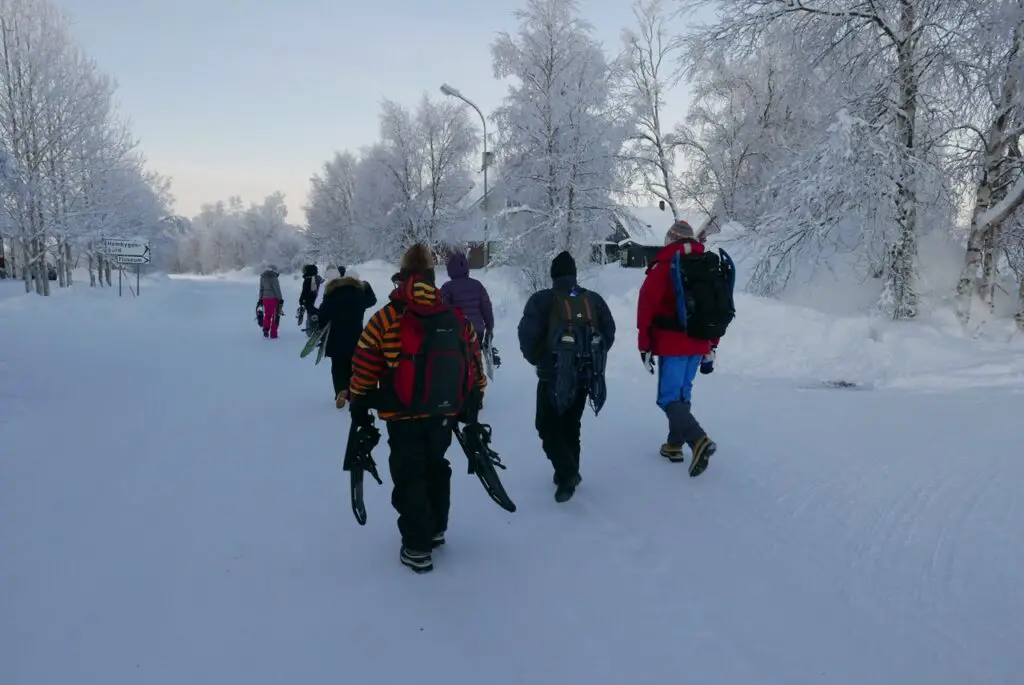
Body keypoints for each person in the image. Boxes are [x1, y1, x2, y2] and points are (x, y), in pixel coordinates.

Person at [349, 244, 487, 573]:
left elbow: (365, 362)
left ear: (402, 278)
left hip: (402, 414)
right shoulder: (454, 316)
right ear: (431, 278)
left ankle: (416, 546)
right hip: (444, 412)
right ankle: (436, 529)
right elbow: (473, 359)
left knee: (410, 475)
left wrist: (360, 401)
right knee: (437, 466)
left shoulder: (385, 317)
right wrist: (475, 398)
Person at [636, 220, 734, 477]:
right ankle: (674, 445)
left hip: (672, 342)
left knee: (668, 398)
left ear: (670, 240)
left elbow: (646, 309)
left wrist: (644, 346)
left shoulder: (665, 266)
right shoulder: (708, 266)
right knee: (682, 393)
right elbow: (720, 306)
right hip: (700, 341)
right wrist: (711, 345)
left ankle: (698, 439)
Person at [517, 251, 615, 502]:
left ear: (553, 275)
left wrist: (540, 360)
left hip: (552, 376)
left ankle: (567, 473)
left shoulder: (542, 300)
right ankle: (568, 472)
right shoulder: (592, 299)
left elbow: (527, 336)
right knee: (572, 424)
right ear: (573, 274)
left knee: (547, 425)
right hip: (585, 374)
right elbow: (608, 332)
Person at [316, 270, 377, 408]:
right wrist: (366, 285)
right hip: (356, 337)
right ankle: (353, 392)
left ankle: (341, 390)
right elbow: (372, 300)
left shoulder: (331, 294)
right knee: (354, 366)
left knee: (338, 366)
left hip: (335, 338)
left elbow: (322, 316)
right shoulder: (359, 295)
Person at [258, 265, 284, 339]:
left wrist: (261, 298)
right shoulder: (274, 277)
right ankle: (273, 334)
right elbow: (277, 289)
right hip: (274, 299)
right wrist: (280, 299)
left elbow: (261, 289)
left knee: (267, 315)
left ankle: (266, 328)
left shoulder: (262, 277)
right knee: (275, 316)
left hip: (265, 299)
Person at [298, 264, 324, 332]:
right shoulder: (319, 278)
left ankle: (312, 330)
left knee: (311, 316)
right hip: (319, 302)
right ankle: (319, 328)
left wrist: (301, 300)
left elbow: (305, 292)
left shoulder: (307, 280)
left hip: (310, 302)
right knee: (318, 316)